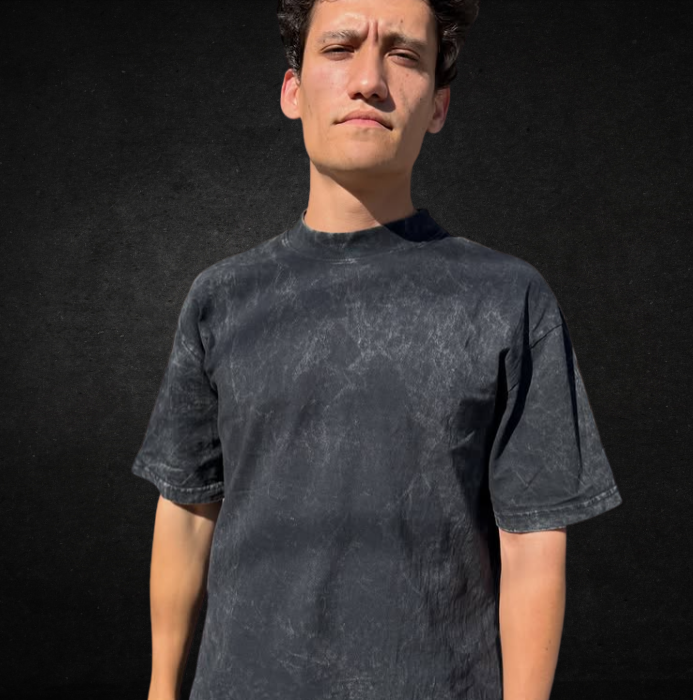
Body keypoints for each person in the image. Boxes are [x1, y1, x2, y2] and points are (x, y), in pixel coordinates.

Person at [131, 1, 623, 699]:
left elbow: (533, 545)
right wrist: (160, 688)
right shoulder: (222, 298)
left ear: (439, 105)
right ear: (293, 91)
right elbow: (186, 513)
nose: (369, 80)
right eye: (339, 49)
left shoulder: (510, 300)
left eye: (404, 54)